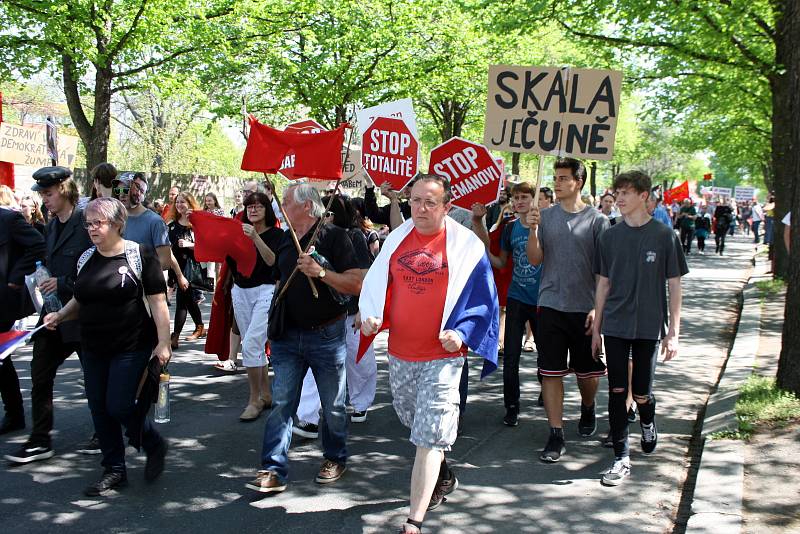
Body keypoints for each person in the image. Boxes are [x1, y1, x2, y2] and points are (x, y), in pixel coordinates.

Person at [359, 174, 498, 534]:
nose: (420, 208)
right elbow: (376, 287)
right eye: (415, 200)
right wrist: (371, 315)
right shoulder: (396, 240)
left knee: (428, 436)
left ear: (447, 206)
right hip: (402, 354)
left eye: (430, 202)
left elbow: (483, 301)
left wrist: (462, 332)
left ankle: (414, 520)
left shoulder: (466, 245)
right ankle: (444, 473)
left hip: (443, 358)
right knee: (413, 422)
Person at [43, 197, 171, 496]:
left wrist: (164, 342)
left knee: (120, 405)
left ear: (117, 224)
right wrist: (60, 315)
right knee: (99, 409)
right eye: (88, 224)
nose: (92, 229)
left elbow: (158, 301)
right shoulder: (86, 257)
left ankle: (152, 442)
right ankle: (114, 469)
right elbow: (80, 297)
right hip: (93, 346)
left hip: (131, 344)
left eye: (98, 223)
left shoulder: (139, 254)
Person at [246, 184, 362, 493]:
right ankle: (273, 468)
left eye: (285, 202)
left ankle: (335, 457)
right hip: (287, 336)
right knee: (283, 403)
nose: (280, 206)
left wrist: (321, 272)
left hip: (326, 336)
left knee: (333, 405)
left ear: (307, 208)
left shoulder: (337, 237)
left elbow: (357, 283)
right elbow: (276, 269)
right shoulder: (287, 237)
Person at [591, 170, 688, 486]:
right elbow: (603, 284)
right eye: (617, 192)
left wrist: (674, 331)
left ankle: (648, 418)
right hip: (615, 325)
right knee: (618, 392)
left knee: (642, 393)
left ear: (644, 196)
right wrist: (596, 329)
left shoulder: (664, 236)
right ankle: (621, 457)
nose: (619, 198)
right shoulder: (609, 236)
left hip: (648, 325)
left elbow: (674, 285)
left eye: (626, 192)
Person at [4, 168, 92, 463]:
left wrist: (64, 282)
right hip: (54, 313)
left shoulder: (87, 223)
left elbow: (99, 271)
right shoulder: (52, 225)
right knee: (40, 372)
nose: (45, 199)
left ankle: (108, 431)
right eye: (42, 194)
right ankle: (40, 439)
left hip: (84, 315)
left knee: (95, 379)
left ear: (65, 190)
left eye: (49, 193)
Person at [526, 157, 609, 463]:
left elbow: (604, 273)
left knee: (587, 374)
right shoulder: (544, 217)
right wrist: (533, 230)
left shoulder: (598, 221)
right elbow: (535, 259)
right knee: (550, 372)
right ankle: (555, 433)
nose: (557, 182)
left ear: (579, 182)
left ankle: (588, 408)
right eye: (556, 177)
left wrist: (598, 311)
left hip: (584, 308)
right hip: (549, 304)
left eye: (563, 178)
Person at [293, 195, 374, 436]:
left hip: (351, 312)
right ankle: (308, 417)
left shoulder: (354, 236)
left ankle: (360, 403)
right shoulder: (309, 237)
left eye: (326, 214)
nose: (322, 218)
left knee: (358, 360)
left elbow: (365, 275)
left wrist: (364, 309)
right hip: (322, 316)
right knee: (312, 367)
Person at [471, 182, 542, 427]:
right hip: (516, 298)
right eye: (516, 198)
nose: (519, 201)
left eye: (524, 197)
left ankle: (547, 388)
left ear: (534, 198)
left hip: (543, 300)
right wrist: (479, 223)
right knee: (511, 356)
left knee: (547, 356)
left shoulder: (545, 225)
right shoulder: (510, 229)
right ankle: (512, 406)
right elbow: (499, 262)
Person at [225, 192, 283, 421]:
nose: (253, 210)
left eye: (259, 206)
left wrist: (255, 239)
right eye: (249, 206)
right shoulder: (238, 230)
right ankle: (266, 394)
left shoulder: (277, 234)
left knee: (250, 344)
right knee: (254, 345)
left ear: (267, 210)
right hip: (241, 290)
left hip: (266, 289)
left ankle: (254, 400)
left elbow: (272, 261)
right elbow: (230, 258)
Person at [0, 202, 46, 435]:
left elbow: (38, 244)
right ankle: (14, 412)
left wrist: (16, 276)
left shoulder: (9, 219)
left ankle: (14, 413)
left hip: (3, 299)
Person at [167, 192, 206, 347]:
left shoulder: (196, 224)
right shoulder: (171, 225)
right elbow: (166, 247)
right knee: (189, 301)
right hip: (176, 267)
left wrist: (190, 245)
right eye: (177, 202)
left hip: (191, 269)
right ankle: (200, 326)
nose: (179, 205)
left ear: (190, 204)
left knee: (183, 301)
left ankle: (175, 336)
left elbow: (206, 246)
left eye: (183, 202)